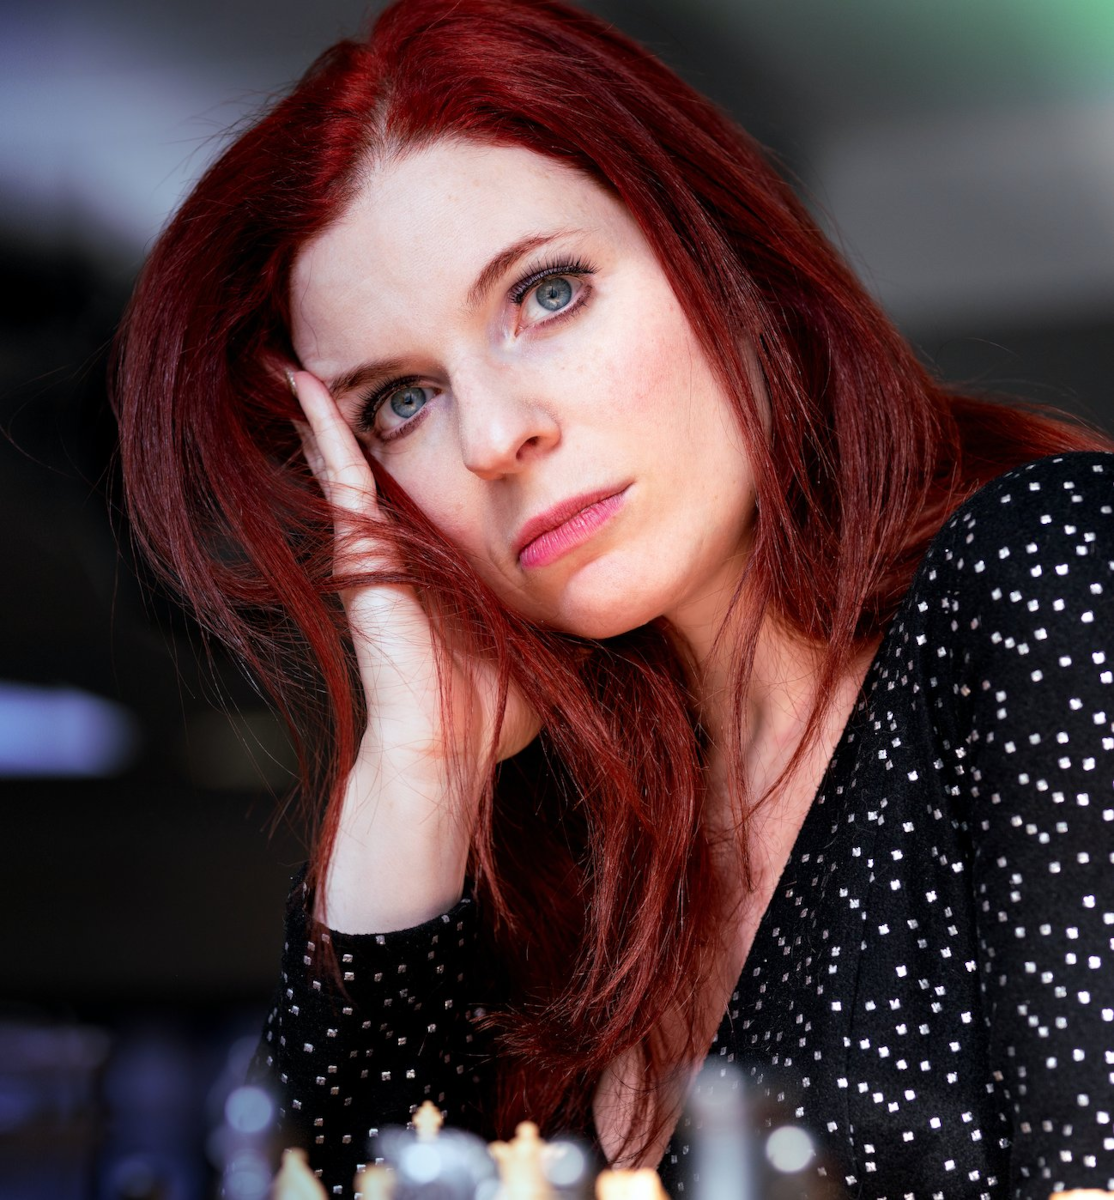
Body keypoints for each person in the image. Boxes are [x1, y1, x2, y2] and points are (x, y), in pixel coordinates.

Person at [112, 0, 1114, 1195]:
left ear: (716, 255)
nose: (494, 435)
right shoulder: (549, 855)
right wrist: (415, 772)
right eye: (401, 400)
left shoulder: (1045, 567)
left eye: (545, 293)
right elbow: (327, 1171)